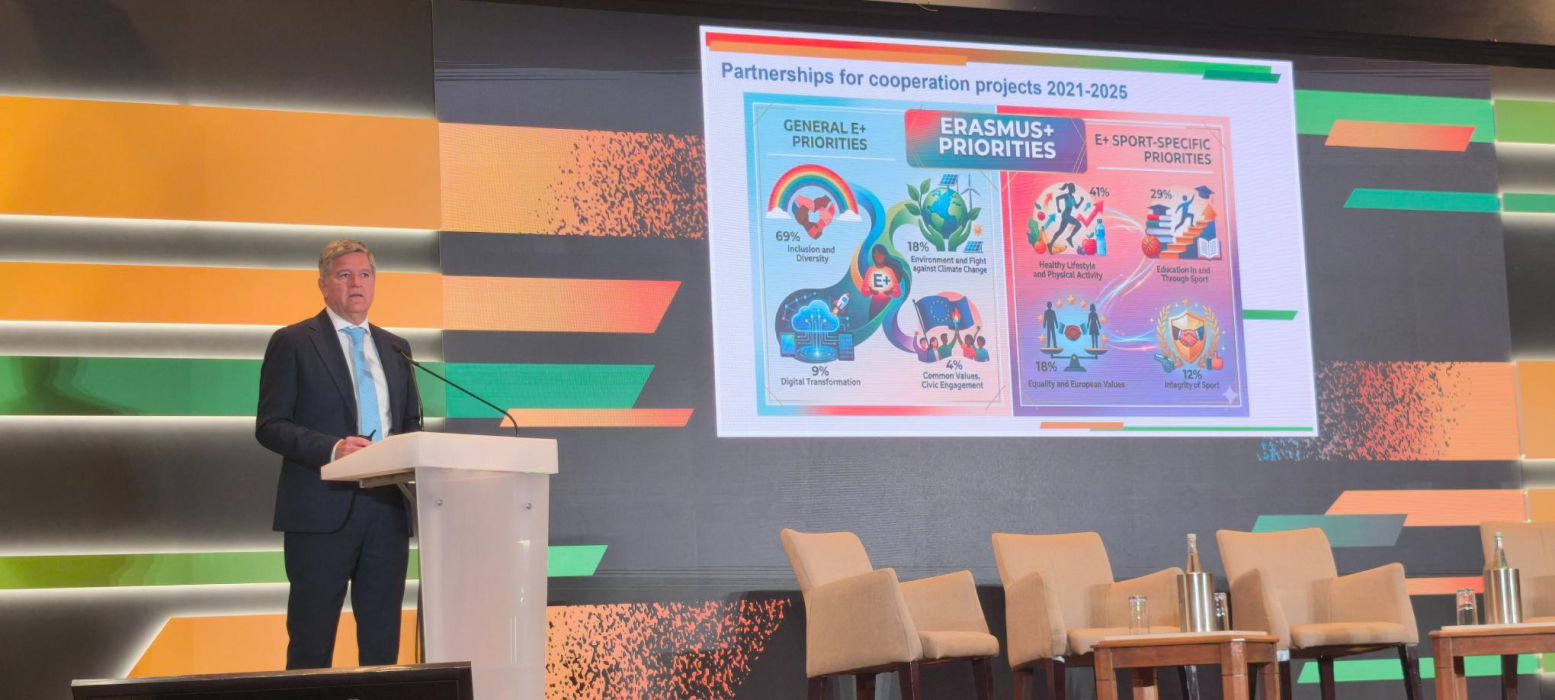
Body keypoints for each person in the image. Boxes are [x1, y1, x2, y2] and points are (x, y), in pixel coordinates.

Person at [256, 239, 422, 670]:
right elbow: (270, 425)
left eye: (365, 275)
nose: (356, 284)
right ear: (323, 285)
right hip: (320, 512)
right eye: (344, 275)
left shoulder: (397, 348)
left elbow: (410, 425)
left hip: (387, 511)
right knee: (311, 645)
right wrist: (334, 448)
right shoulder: (293, 342)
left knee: (382, 646)